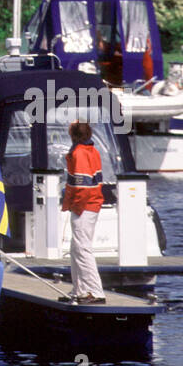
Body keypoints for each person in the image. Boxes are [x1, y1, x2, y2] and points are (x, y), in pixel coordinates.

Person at [60, 120, 105, 303]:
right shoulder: (92, 151)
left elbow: (82, 186)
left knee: (83, 249)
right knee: (76, 249)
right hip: (91, 205)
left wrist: (75, 206)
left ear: (74, 135)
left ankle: (96, 292)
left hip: (84, 207)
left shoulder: (79, 153)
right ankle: (79, 290)